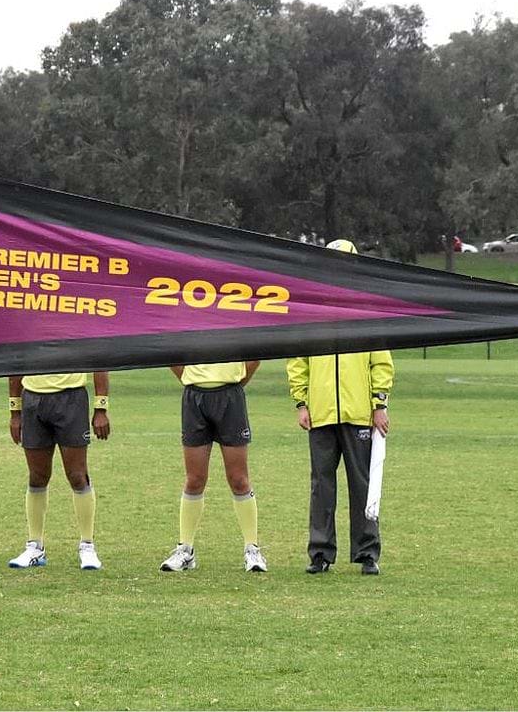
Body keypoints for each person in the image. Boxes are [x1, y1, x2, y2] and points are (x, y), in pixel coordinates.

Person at [287, 238, 393, 576]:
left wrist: (379, 404)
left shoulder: (367, 308)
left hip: (359, 411)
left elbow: (382, 362)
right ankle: (320, 552)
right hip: (320, 412)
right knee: (321, 484)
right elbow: (297, 360)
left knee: (361, 483)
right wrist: (301, 401)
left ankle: (367, 553)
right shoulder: (311, 309)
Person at [159, 362, 267, 573]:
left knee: (238, 478)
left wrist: (235, 382)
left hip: (230, 397)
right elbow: (172, 352)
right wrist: (191, 378)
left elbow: (254, 356)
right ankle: (186, 549)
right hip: (194, 398)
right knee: (194, 478)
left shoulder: (234, 327)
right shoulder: (187, 327)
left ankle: (252, 549)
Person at [7, 372, 110, 569]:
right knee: (37, 477)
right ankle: (35, 546)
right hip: (32, 400)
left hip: (71, 399)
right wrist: (15, 411)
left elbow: (99, 360)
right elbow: (16, 362)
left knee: (77, 476)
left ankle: (87, 545)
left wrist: (101, 406)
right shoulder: (28, 338)